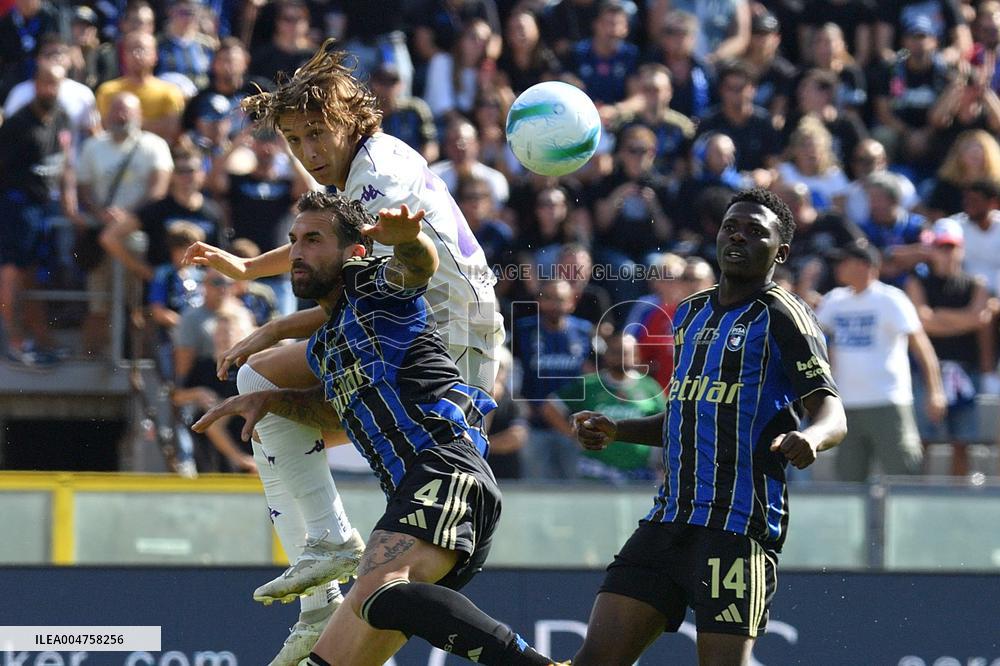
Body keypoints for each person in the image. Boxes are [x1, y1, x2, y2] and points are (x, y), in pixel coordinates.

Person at [182, 40, 504, 665]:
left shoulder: (379, 178)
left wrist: (274, 326)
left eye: (318, 133)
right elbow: (333, 248)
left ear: (354, 120)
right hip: (408, 325)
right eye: (296, 140)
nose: (309, 153)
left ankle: (349, 571)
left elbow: (355, 281)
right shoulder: (363, 170)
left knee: (404, 493)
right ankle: (325, 578)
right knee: (259, 390)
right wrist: (250, 269)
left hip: (449, 338)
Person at [192, 192, 556, 666]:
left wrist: (409, 240)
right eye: (294, 241)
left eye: (314, 239)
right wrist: (270, 400)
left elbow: (415, 269)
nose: (298, 252)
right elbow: (332, 418)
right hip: (416, 493)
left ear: (355, 253)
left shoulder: (373, 291)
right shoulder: (326, 344)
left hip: (445, 470)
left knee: (373, 593)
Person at [570, 188, 847, 666]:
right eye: (730, 227)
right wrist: (617, 428)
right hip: (668, 520)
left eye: (756, 232)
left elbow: (832, 412)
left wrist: (812, 438)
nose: (738, 236)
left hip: (735, 528)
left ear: (780, 252)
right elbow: (686, 412)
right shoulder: (690, 314)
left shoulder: (785, 317)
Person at [816, 241, 945, 481]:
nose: (838, 267)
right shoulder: (834, 300)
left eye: (845, 262)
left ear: (865, 265)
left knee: (904, 476)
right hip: (847, 406)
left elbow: (922, 347)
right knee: (848, 481)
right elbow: (811, 336)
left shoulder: (891, 299)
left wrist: (935, 391)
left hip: (888, 400)